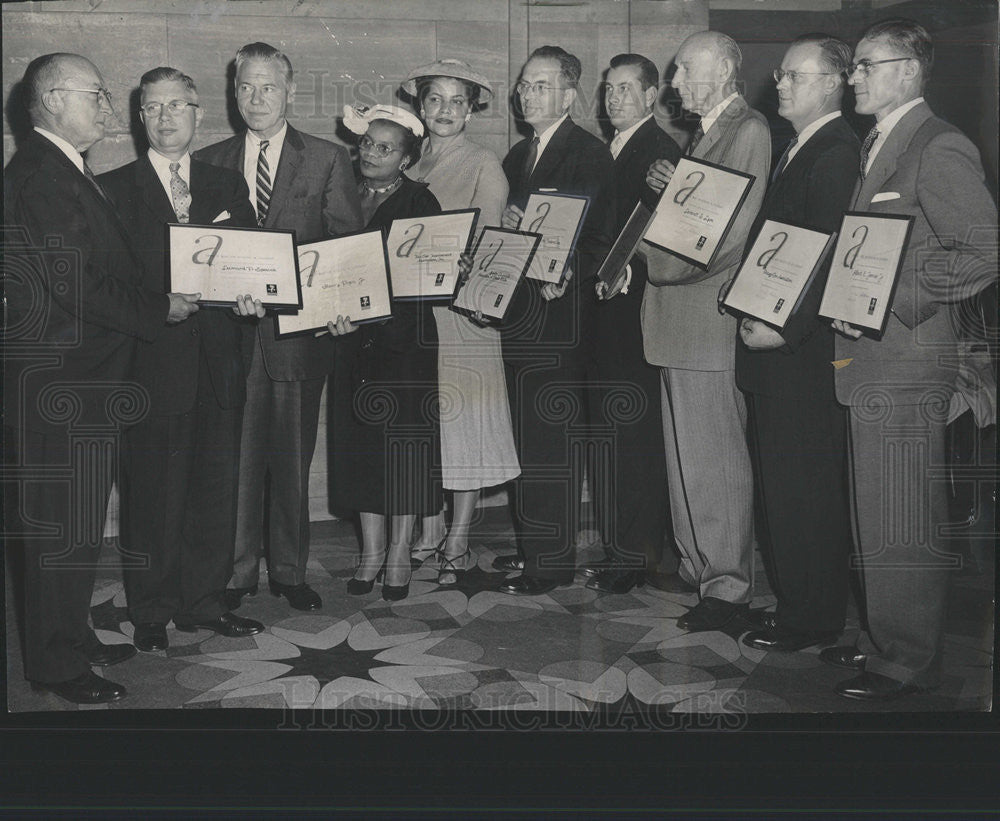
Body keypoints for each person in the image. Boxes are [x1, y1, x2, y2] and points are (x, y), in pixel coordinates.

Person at [3, 53, 200, 704]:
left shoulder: (61, 167)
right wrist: (158, 307)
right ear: (54, 98)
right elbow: (75, 281)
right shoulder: (41, 173)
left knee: (79, 523)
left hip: (81, 379)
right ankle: (54, 665)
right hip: (62, 383)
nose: (108, 107)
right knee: (59, 530)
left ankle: (71, 634)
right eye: (96, 93)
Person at [822, 18, 997, 701]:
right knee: (876, 509)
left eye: (867, 65)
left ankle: (908, 658)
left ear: (909, 70)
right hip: (868, 356)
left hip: (906, 354)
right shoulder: (880, 142)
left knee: (901, 512)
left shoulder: (940, 144)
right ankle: (882, 638)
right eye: (855, 66)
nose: (854, 77)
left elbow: (985, 250)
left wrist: (895, 297)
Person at [99, 67, 266, 652]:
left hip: (220, 365)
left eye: (178, 105)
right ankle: (150, 609)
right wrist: (157, 306)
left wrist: (254, 301)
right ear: (139, 117)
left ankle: (203, 603)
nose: (166, 116)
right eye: (154, 107)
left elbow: (252, 265)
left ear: (199, 114)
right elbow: (109, 289)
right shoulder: (112, 189)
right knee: (150, 496)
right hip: (151, 369)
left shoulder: (226, 186)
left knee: (213, 492)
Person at [195, 42, 364, 613]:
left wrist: (344, 306)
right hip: (232, 343)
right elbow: (199, 256)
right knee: (237, 462)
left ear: (290, 92)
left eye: (268, 86)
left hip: (300, 339)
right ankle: (237, 572)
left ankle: (290, 571)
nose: (256, 98)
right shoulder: (211, 161)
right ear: (232, 91)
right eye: (245, 86)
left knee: (292, 459)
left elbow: (345, 246)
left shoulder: (326, 158)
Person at [734, 35, 858, 653]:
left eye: (795, 76)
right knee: (781, 487)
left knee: (805, 490)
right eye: (780, 75)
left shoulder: (835, 152)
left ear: (834, 82)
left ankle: (813, 616)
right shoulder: (798, 147)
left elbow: (834, 255)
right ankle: (795, 605)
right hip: (774, 347)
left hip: (800, 355)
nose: (780, 84)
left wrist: (785, 325)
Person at [643, 31, 769, 631]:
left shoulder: (747, 131)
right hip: (678, 320)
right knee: (686, 460)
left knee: (714, 458)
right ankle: (702, 570)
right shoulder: (705, 134)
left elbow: (728, 234)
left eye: (684, 69)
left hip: (703, 316)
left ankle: (728, 586)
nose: (674, 83)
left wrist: (652, 262)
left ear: (721, 68)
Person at [493, 45, 613, 596]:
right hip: (520, 316)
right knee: (527, 439)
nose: (525, 93)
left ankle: (550, 564)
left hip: (561, 319)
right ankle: (536, 550)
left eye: (539, 85)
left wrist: (565, 266)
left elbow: (600, 240)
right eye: (523, 84)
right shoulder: (519, 156)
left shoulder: (589, 152)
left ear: (569, 95)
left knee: (550, 443)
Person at [399, 59, 520, 585]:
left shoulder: (483, 163)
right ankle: (429, 532)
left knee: (465, 423)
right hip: (414, 316)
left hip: (463, 313)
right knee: (431, 423)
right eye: (435, 100)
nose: (444, 110)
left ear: (471, 110)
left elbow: (490, 247)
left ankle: (457, 538)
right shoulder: (409, 162)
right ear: (420, 106)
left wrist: (462, 272)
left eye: (457, 101)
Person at [325, 104, 442, 602]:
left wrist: (376, 310)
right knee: (359, 451)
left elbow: (424, 281)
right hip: (347, 340)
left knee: (404, 451)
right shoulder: (341, 188)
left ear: (407, 158)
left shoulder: (422, 201)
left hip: (403, 344)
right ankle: (371, 552)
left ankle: (399, 552)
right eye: (368, 143)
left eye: (385, 147)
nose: (371, 153)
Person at [584, 53, 685, 596]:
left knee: (631, 439)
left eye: (627, 89)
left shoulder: (660, 152)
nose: (615, 98)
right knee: (613, 436)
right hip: (608, 313)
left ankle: (638, 556)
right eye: (609, 89)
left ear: (651, 97)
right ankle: (621, 549)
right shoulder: (616, 148)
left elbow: (659, 241)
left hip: (634, 315)